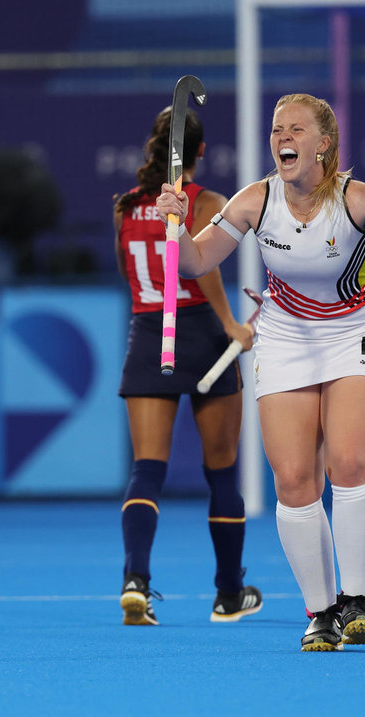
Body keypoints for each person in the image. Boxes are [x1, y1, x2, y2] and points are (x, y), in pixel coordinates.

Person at [157, 93, 365, 650]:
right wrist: (174, 222)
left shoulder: (357, 198)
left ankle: (359, 600)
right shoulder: (255, 201)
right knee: (293, 480)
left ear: (324, 145)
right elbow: (193, 262)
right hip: (286, 337)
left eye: (294, 129)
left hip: (354, 332)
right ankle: (321, 611)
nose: (281, 137)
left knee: (351, 461)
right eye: (275, 129)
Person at [114, 107, 262, 626]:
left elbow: (131, 279)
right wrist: (232, 326)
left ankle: (136, 581)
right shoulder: (206, 202)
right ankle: (228, 592)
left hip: (148, 334)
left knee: (146, 470)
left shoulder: (128, 206)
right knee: (221, 472)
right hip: (201, 332)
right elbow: (203, 268)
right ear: (200, 152)